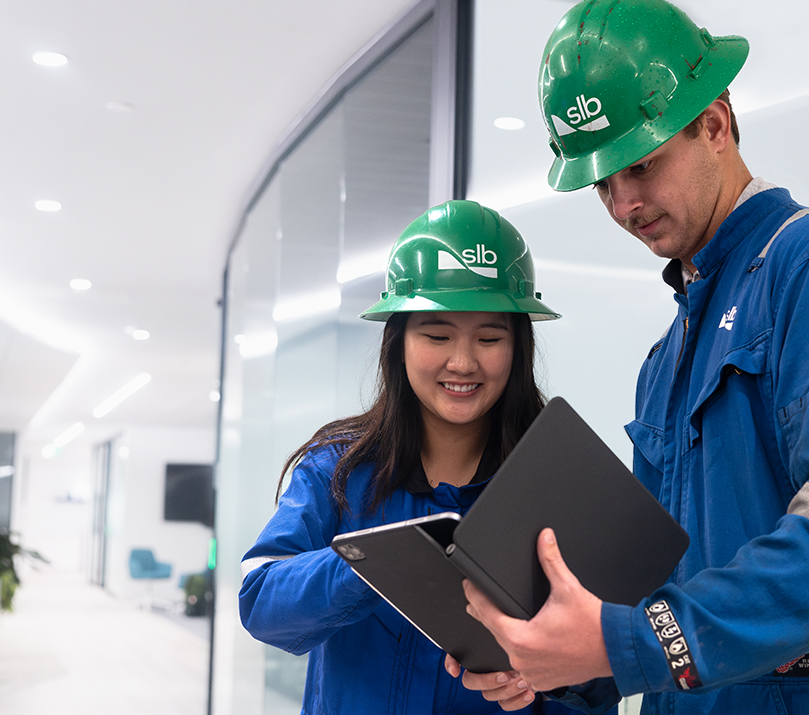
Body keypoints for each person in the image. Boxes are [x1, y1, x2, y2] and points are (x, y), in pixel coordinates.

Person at [450, 1, 809, 714]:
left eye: (639, 166)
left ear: (714, 123)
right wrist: (556, 659)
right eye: (602, 184)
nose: (623, 204)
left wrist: (630, 643)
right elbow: (656, 582)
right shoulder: (667, 354)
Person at [238, 200, 565, 714]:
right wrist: (372, 564)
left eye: (490, 337)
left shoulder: (552, 485)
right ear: (399, 342)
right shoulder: (338, 470)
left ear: (517, 346)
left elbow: (598, 665)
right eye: (437, 335)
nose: (463, 361)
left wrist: (545, 688)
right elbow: (260, 600)